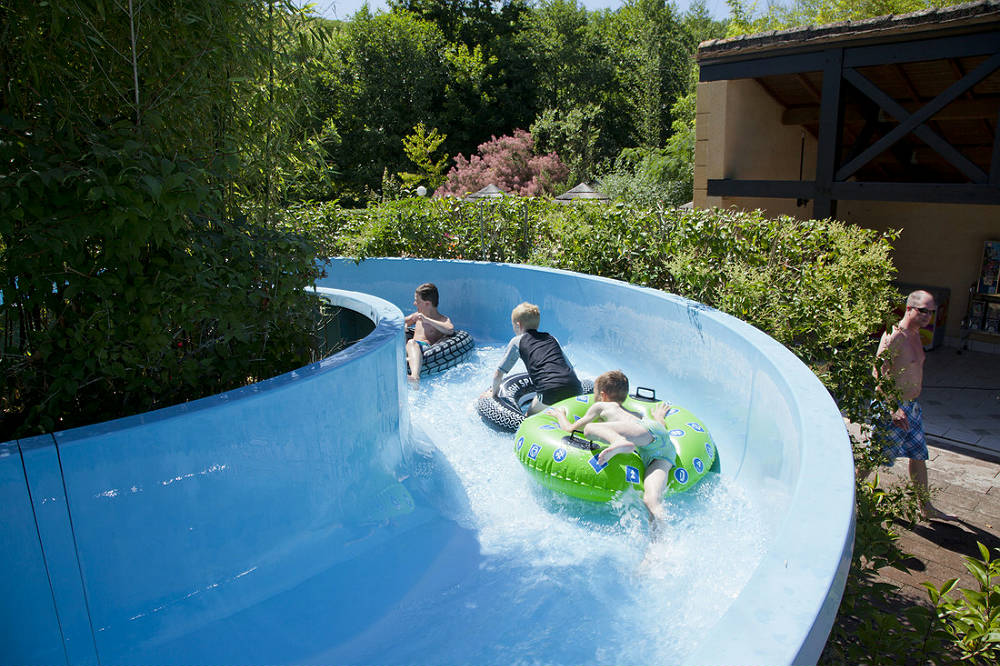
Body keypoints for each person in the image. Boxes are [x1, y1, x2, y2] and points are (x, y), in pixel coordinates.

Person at [551, 370, 675, 530]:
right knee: (651, 499)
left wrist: (560, 414)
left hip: (642, 434)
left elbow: (570, 429)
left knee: (589, 428)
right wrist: (659, 418)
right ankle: (659, 545)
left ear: (602, 395)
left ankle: (618, 441)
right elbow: (655, 432)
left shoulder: (602, 406)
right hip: (663, 449)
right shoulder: (635, 413)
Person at [873, 289, 955, 521]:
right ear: (909, 309)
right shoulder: (895, 336)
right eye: (923, 311)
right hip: (894, 408)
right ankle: (847, 498)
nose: (928, 316)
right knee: (875, 458)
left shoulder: (916, 334)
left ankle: (925, 507)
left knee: (918, 456)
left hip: (912, 408)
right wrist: (892, 409)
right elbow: (878, 373)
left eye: (931, 312)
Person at [485, 302, 582, 414]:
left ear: (518, 325)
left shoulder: (517, 341)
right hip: (575, 387)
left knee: (528, 418)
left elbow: (498, 373)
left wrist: (493, 395)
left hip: (549, 391)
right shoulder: (552, 338)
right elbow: (569, 367)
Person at [405, 283, 454, 383]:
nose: (414, 303)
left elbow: (450, 330)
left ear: (427, 303)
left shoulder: (441, 319)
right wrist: (404, 326)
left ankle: (415, 377)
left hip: (425, 350)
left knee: (411, 343)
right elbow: (400, 323)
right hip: (411, 349)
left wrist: (427, 320)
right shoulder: (417, 316)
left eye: (417, 301)